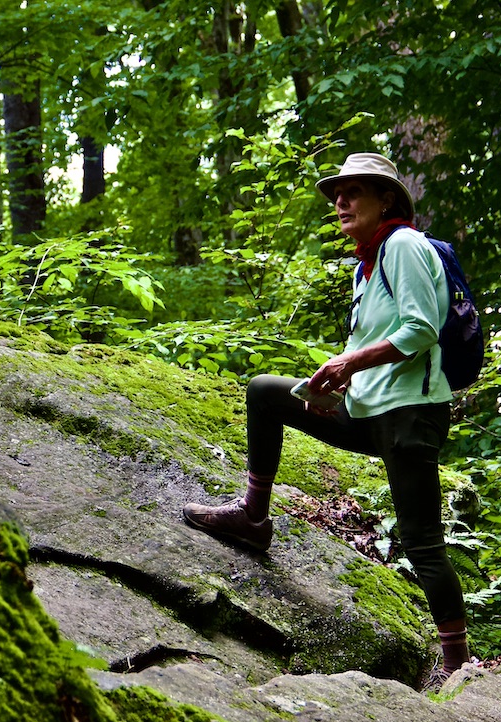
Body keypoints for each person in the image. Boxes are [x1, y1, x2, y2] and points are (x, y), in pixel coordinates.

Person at [181, 152, 470, 681]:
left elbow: (422, 329)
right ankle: (253, 516)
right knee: (266, 392)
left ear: (386, 199)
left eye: (353, 191)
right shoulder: (369, 263)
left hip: (410, 416)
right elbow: (373, 345)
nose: (339, 201)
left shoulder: (404, 244)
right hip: (366, 411)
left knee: (422, 542)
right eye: (336, 193)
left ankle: (458, 666)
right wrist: (335, 383)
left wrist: (349, 361)